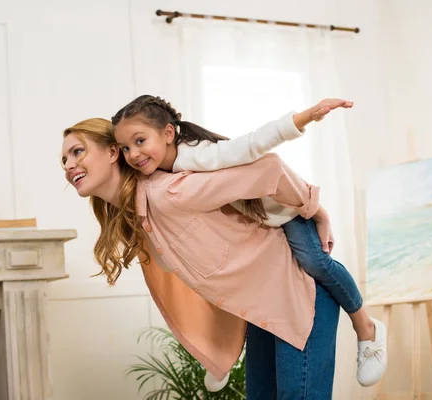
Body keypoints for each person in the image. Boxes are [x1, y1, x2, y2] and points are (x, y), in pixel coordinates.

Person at [111, 95, 387, 387]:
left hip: (287, 211)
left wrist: (304, 118)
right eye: (125, 148)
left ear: (168, 134)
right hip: (265, 224)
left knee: (315, 260)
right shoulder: (156, 180)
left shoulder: (197, 156)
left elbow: (255, 146)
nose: (133, 154)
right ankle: (220, 355)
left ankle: (366, 327)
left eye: (140, 141)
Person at [62, 118, 338, 397]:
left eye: (77, 152)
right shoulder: (137, 216)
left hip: (299, 289)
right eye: (64, 159)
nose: (68, 165)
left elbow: (268, 170)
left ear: (111, 152)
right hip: (263, 306)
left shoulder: (166, 192)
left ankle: (365, 327)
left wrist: (317, 211)